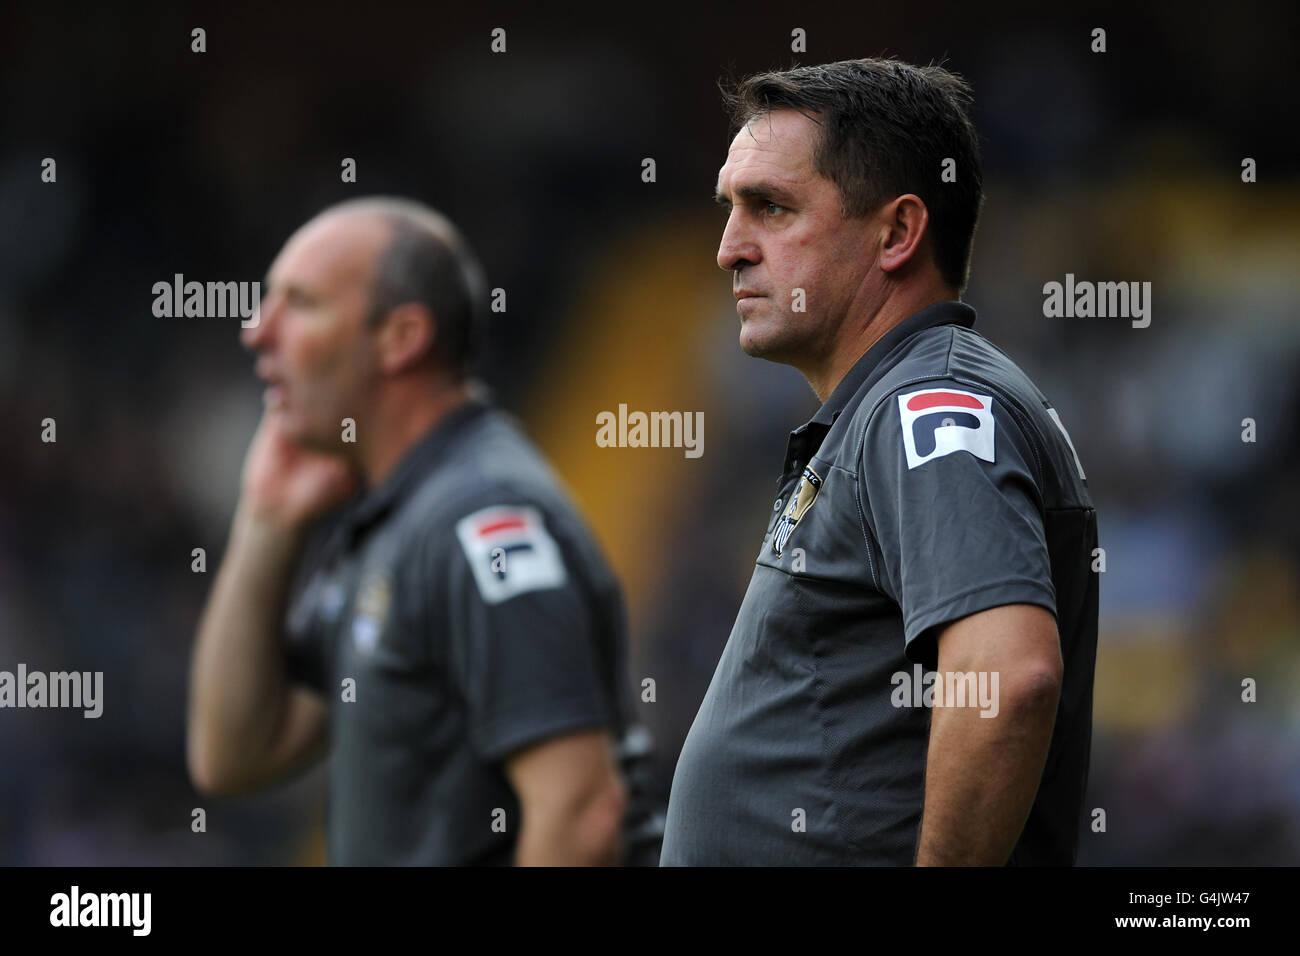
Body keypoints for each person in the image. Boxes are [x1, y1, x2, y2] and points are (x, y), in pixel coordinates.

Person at [661, 58, 1099, 865]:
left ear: (897, 232)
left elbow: (1007, 681)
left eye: (770, 208)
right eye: (729, 209)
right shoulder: (889, 409)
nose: (729, 250)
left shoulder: (927, 406)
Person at [187, 196, 661, 866]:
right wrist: (265, 521)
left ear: (401, 338)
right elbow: (234, 756)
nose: (257, 332)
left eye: (300, 304)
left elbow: (581, 813)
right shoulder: (399, 514)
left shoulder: (481, 519)